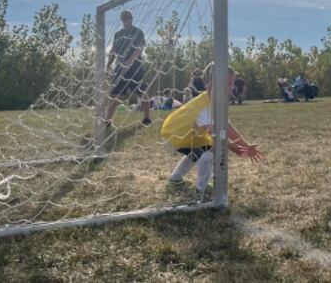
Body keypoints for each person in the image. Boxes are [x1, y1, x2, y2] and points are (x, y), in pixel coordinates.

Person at [162, 63, 262, 194]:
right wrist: (233, 147)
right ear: (212, 83)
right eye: (228, 84)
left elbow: (227, 127)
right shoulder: (205, 106)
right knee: (211, 149)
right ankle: (201, 189)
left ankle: (174, 180)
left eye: (232, 83)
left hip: (185, 135)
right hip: (175, 134)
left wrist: (246, 145)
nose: (232, 87)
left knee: (200, 151)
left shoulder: (215, 101)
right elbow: (215, 135)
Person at [105, 10, 152, 126]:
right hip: (120, 68)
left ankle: (147, 118)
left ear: (131, 18)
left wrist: (129, 61)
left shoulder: (138, 32)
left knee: (141, 92)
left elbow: (139, 49)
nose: (126, 19)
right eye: (124, 17)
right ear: (121, 19)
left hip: (135, 67)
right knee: (114, 94)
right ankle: (108, 121)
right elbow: (113, 51)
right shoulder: (118, 34)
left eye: (127, 17)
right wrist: (108, 65)